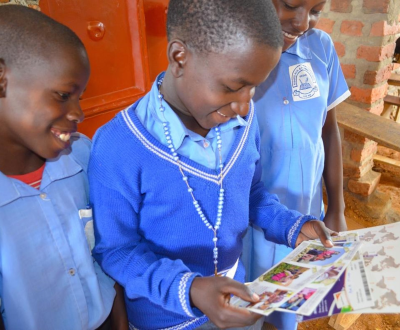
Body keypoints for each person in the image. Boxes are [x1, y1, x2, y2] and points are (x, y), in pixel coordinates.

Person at [88, 0, 335, 329]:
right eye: (233, 87)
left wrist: (291, 225)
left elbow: (251, 193)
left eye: (254, 87)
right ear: (180, 58)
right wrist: (188, 289)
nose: (246, 106)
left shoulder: (241, 121)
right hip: (165, 320)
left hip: (239, 303)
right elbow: (118, 250)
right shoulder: (119, 145)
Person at [0, 5, 128, 330]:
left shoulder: (83, 157)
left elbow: (110, 255)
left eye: (80, 97)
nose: (78, 114)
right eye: (62, 95)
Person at [243, 0, 350, 328]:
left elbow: (328, 128)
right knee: (247, 309)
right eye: (291, 5)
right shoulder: (235, 53)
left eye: (317, 9)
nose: (303, 22)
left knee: (288, 308)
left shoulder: (321, 48)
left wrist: (337, 207)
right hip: (251, 223)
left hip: (307, 217)